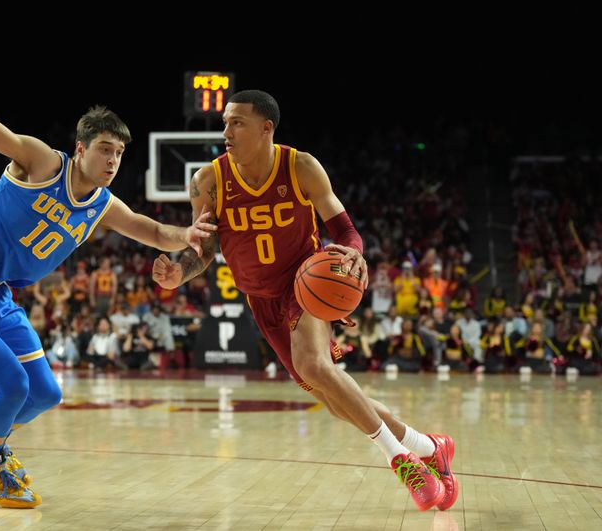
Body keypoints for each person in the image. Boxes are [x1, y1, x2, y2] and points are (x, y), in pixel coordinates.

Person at [0, 44, 215, 508]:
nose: (113, 160)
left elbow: (154, 231)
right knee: (13, 385)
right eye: (104, 150)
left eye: (119, 153)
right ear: (80, 149)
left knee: (46, 393)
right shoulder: (41, 162)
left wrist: (188, 233)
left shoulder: (102, 206)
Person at [152, 90, 458, 512]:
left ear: (266, 128)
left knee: (316, 366)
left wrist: (353, 251)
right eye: (225, 123)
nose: (226, 132)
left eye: (236, 122)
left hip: (305, 282)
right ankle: (429, 446)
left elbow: (345, 230)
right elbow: (201, 251)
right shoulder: (208, 181)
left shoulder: (300, 166)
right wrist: (178, 272)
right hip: (260, 299)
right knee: (334, 400)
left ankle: (401, 460)